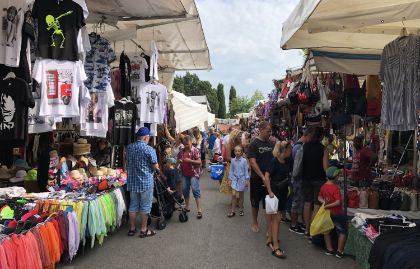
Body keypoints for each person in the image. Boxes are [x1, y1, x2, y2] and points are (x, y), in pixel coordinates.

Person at [126, 127, 163, 237]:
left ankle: (132, 229)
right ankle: (143, 230)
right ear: (146, 137)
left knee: (133, 205)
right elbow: (155, 166)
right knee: (145, 206)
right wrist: (161, 172)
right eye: (149, 137)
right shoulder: (149, 149)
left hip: (132, 181)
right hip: (145, 181)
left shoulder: (129, 147)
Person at [264, 141, 292, 259]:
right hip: (275, 193)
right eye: (289, 150)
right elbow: (266, 176)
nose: (291, 152)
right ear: (284, 151)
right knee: (276, 219)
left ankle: (270, 239)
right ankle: (276, 247)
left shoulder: (285, 161)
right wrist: (270, 191)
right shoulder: (274, 161)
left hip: (282, 192)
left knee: (275, 219)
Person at [302, 127, 329, 237]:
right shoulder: (323, 149)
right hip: (319, 179)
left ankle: (306, 229)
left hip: (306, 178)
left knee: (307, 203)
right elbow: (326, 168)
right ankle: (313, 231)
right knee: (317, 205)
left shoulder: (305, 146)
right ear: (321, 136)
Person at [247, 121, 274, 233]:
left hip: (269, 178)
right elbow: (252, 162)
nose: (270, 133)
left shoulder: (270, 143)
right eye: (268, 131)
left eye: (270, 131)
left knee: (268, 202)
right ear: (261, 130)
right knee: (255, 201)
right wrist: (262, 176)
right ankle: (254, 222)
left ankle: (269, 227)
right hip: (256, 178)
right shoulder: (253, 144)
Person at [318, 166, 347, 258]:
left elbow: (319, 197)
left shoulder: (324, 186)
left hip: (327, 213)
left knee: (327, 231)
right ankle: (339, 251)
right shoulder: (335, 188)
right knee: (342, 231)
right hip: (337, 213)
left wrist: (324, 204)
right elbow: (338, 202)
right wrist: (328, 205)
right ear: (336, 177)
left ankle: (329, 249)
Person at [289, 128, 314, 234]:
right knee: (297, 202)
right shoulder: (299, 147)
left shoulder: (297, 146)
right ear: (307, 136)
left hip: (297, 178)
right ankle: (293, 224)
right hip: (298, 179)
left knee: (299, 202)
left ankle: (296, 223)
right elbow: (298, 166)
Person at [177, 135, 203, 219]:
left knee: (195, 190)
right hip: (184, 174)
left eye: (187, 144)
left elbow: (199, 162)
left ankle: (199, 209)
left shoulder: (195, 150)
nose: (186, 146)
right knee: (185, 190)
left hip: (194, 173)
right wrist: (179, 161)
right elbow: (178, 161)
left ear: (191, 142)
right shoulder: (181, 151)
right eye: (184, 144)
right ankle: (187, 207)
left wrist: (190, 160)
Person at [227, 145, 249, 217]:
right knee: (233, 195)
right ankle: (232, 211)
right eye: (236, 151)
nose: (237, 152)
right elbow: (231, 170)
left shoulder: (244, 161)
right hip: (234, 179)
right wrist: (230, 179)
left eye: (239, 151)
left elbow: (246, 171)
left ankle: (241, 209)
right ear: (234, 152)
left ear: (242, 152)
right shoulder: (233, 160)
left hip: (242, 179)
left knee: (241, 196)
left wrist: (246, 180)